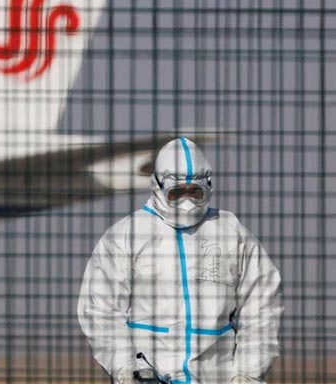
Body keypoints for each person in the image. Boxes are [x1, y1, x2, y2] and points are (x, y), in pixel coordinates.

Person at [77, 138, 282, 384]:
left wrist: (248, 373)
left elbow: (261, 308)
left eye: (195, 192)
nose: (187, 202)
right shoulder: (126, 236)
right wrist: (124, 367)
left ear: (208, 186)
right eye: (177, 193)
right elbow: (101, 310)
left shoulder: (231, 233)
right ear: (159, 187)